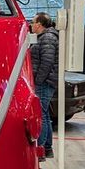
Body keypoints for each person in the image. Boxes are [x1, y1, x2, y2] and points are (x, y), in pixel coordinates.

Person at [30, 12, 59, 160]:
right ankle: (47, 148)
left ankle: (41, 148)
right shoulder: (45, 37)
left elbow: (46, 63)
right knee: (45, 114)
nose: (31, 24)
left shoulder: (47, 38)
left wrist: (38, 80)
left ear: (39, 24)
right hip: (46, 81)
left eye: (33, 22)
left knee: (40, 115)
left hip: (44, 82)